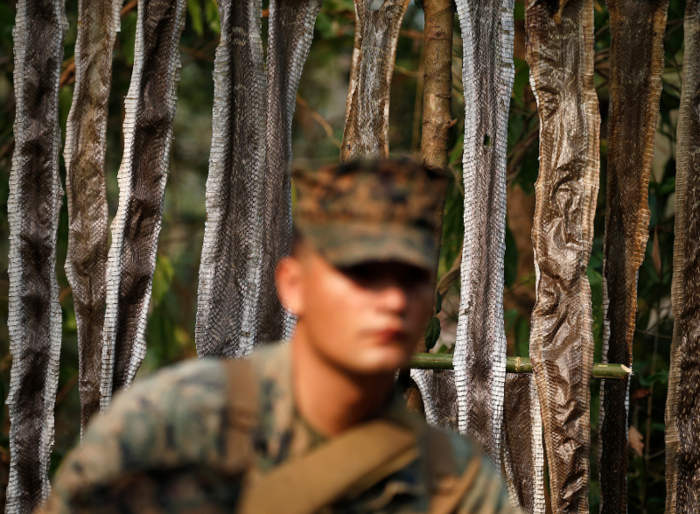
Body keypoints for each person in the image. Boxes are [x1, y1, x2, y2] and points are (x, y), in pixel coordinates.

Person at [40, 158, 520, 514]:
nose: (393, 300)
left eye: (410, 278)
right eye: (362, 275)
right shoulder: (175, 421)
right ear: (294, 286)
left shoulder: (455, 484)